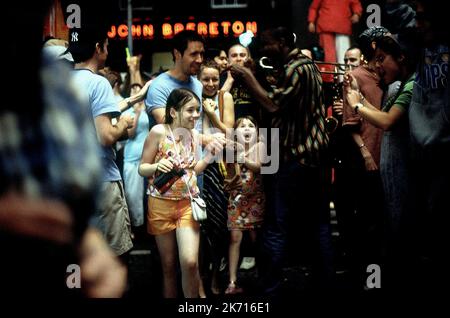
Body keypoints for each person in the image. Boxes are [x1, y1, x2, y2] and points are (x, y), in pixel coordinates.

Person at [1, 0, 126, 298]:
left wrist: (89, 246)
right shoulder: (93, 84)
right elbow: (106, 136)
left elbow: (74, 201)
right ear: (100, 48)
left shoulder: (56, 82)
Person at [230, 26, 333, 293]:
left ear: (284, 42)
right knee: (319, 224)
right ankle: (324, 283)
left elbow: (274, 104)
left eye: (267, 44)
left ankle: (271, 289)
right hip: (315, 158)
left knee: (276, 225)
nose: (263, 50)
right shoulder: (304, 67)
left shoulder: (296, 68)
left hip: (296, 158)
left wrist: (247, 76)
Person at [345, 34, 417, 288]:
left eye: (381, 59)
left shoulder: (410, 85)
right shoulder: (403, 84)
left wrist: (356, 106)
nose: (377, 66)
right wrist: (359, 100)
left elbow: (387, 121)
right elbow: (382, 115)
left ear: (401, 58)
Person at [139, 88, 223, 298]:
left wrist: (209, 155)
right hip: (160, 204)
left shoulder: (193, 134)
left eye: (197, 110)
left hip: (187, 203)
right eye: (191, 110)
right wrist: (158, 165)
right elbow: (142, 168)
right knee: (168, 267)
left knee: (190, 262)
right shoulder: (159, 132)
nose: (196, 115)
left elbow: (193, 169)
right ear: (174, 112)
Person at [69, 25, 136, 258]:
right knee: (113, 257)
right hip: (100, 180)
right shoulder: (98, 83)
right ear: (98, 48)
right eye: (106, 45)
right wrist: (124, 124)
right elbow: (105, 136)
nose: (107, 49)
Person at [197, 60, 234, 296]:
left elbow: (229, 132)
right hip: (197, 167)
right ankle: (200, 279)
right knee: (201, 227)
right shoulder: (191, 97)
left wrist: (212, 113)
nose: (211, 83)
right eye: (206, 79)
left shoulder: (224, 98)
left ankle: (215, 276)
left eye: (214, 78)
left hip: (219, 168)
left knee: (219, 226)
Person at [225, 116, 265, 295]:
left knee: (257, 238)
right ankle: (232, 282)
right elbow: (230, 178)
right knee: (235, 238)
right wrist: (230, 180)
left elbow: (258, 167)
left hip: (256, 199)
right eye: (242, 126)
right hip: (237, 200)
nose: (247, 129)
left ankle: (264, 277)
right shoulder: (232, 150)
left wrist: (243, 158)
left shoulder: (260, 146)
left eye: (251, 125)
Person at [308, 0, 362, 66]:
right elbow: (314, 7)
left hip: (340, 25)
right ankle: (331, 75)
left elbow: (355, 3)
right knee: (329, 55)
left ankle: (343, 74)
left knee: (343, 54)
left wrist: (357, 13)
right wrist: (311, 21)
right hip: (327, 26)